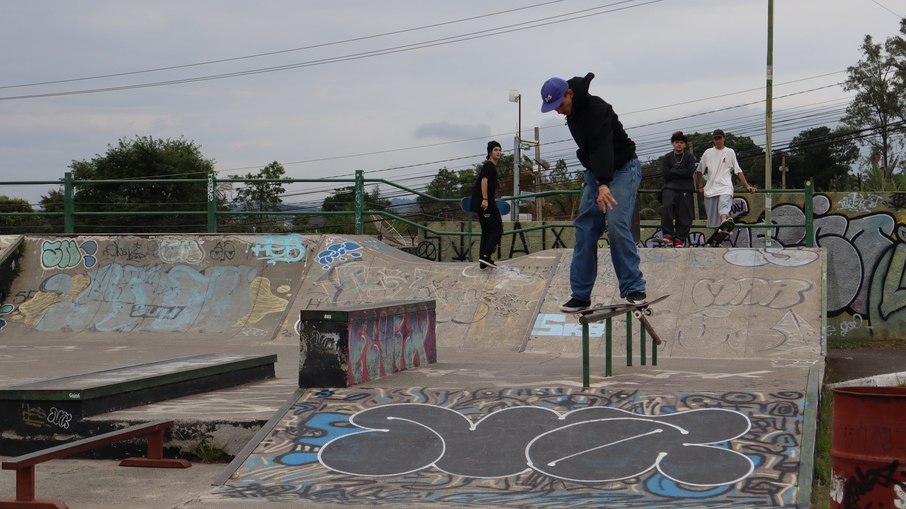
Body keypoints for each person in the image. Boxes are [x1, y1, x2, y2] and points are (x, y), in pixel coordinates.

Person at [540, 73, 646, 312]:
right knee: (585, 229)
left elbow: (603, 147)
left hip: (622, 170)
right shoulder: (572, 114)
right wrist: (598, 180)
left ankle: (634, 287)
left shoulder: (598, 109)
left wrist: (604, 184)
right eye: (554, 108)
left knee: (617, 224)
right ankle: (581, 295)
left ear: (569, 93)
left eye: (560, 105)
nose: (558, 111)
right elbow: (590, 152)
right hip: (596, 173)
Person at [695, 129, 757, 234]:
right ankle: (718, 236)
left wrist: (747, 186)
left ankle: (724, 221)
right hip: (711, 188)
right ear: (713, 140)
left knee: (723, 207)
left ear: (724, 139)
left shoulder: (730, 152)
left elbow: (738, 171)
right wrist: (700, 185)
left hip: (725, 186)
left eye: (720, 138)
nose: (718, 140)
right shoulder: (708, 152)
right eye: (716, 138)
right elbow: (699, 171)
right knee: (714, 219)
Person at [659, 131, 697, 247]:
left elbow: (689, 172)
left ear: (685, 144)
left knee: (685, 214)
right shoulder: (667, 157)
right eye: (676, 142)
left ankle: (679, 239)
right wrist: (681, 172)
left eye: (681, 142)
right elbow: (666, 174)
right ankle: (668, 235)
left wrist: (674, 171)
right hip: (670, 187)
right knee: (667, 207)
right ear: (673, 143)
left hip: (686, 189)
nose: (679, 144)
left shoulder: (690, 157)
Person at [470, 140, 503, 269]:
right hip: (486, 203)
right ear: (490, 152)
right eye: (495, 150)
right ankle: (485, 255)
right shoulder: (489, 166)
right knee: (497, 229)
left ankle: (484, 261)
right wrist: (485, 199)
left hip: (481, 203)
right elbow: (484, 181)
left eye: (499, 150)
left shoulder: (490, 166)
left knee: (487, 231)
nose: (498, 152)